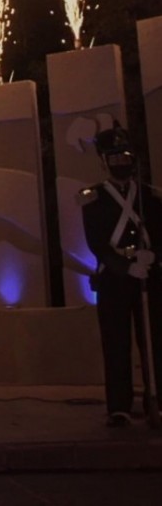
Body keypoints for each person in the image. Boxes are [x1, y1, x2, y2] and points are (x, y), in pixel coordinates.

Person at [80, 123, 162, 427]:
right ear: (104, 161)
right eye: (113, 158)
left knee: (155, 339)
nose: (120, 162)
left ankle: (156, 398)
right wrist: (125, 265)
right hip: (114, 278)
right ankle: (119, 405)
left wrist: (152, 256)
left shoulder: (151, 196)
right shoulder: (93, 199)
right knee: (116, 341)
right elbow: (97, 243)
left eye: (124, 156)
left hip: (150, 276)